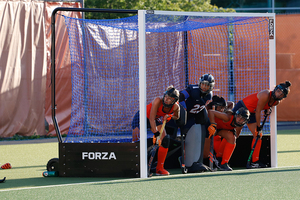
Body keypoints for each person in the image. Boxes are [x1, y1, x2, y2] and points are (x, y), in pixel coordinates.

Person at [232, 81, 292, 168]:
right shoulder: (265, 94)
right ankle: (219, 158)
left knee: (258, 135)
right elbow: (258, 111)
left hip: (251, 113)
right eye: (278, 91)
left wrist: (267, 109)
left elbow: (264, 107)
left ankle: (255, 162)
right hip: (243, 108)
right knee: (234, 135)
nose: (279, 95)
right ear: (275, 89)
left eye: (282, 94)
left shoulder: (276, 102)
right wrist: (259, 126)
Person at [132, 85, 180, 175]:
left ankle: (159, 168)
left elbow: (177, 117)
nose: (166, 99)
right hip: (142, 116)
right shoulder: (158, 100)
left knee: (165, 139)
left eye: (169, 98)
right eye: (166, 96)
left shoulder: (175, 107)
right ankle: (134, 167)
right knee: (136, 141)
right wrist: (156, 133)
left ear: (174, 100)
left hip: (156, 119)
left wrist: (170, 116)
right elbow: (151, 118)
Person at [179, 73, 214, 172]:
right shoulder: (193, 89)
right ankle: (186, 159)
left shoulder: (209, 95)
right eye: (203, 84)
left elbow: (201, 107)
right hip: (183, 116)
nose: (204, 87)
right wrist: (183, 110)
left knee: (204, 126)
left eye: (207, 85)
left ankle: (197, 161)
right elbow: (180, 96)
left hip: (193, 117)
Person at [208, 107, 250, 171]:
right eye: (239, 117)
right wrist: (212, 125)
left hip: (219, 130)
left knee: (232, 138)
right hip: (209, 127)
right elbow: (211, 112)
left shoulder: (240, 125)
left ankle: (223, 162)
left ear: (245, 121)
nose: (239, 120)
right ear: (236, 115)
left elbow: (236, 136)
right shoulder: (227, 117)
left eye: (242, 119)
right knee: (205, 153)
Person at [203, 95, 234, 160]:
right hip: (206, 129)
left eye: (223, 108)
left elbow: (231, 103)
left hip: (217, 129)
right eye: (220, 108)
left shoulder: (223, 110)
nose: (222, 110)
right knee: (205, 155)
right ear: (214, 106)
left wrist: (227, 110)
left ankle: (219, 159)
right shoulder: (206, 109)